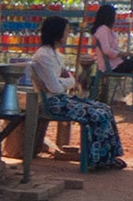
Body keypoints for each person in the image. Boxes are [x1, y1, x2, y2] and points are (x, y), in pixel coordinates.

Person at [26, 15, 126, 171]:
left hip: (62, 98)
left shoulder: (55, 54)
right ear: (57, 32)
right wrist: (67, 81)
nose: (68, 35)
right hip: (53, 103)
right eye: (66, 31)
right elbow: (57, 87)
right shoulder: (43, 56)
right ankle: (98, 159)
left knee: (104, 109)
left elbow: (66, 80)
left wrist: (65, 81)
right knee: (96, 115)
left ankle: (109, 156)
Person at [89, 2, 133, 91]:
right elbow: (106, 50)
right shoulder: (102, 30)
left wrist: (123, 54)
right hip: (113, 66)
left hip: (117, 62)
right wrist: (120, 54)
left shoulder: (107, 30)